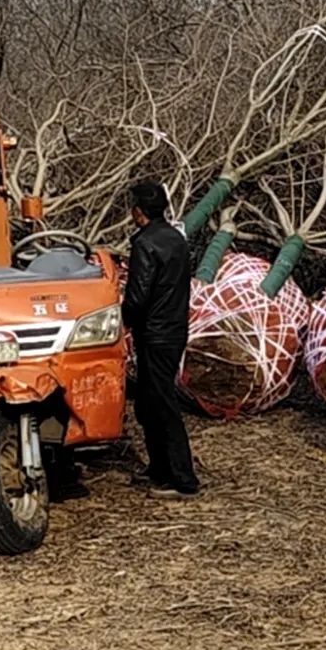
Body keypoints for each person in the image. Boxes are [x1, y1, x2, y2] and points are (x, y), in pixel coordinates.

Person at [122, 180, 200, 500]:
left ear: (138, 212)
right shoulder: (177, 240)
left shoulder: (144, 244)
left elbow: (138, 296)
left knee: (162, 403)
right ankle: (158, 468)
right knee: (149, 401)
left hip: (153, 333)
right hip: (174, 329)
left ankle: (183, 478)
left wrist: (121, 319)